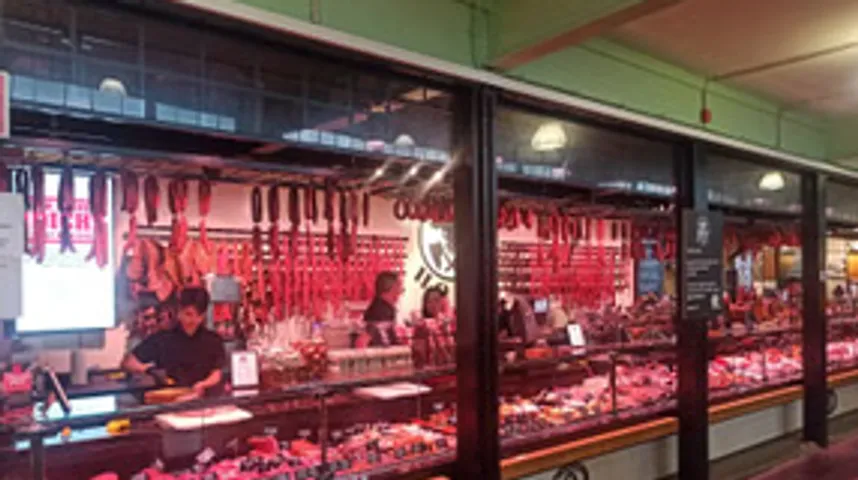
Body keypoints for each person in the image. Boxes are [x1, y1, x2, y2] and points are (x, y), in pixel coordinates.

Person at [122, 287, 225, 398]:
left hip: (203, 401)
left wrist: (203, 384)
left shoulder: (213, 341)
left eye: (189, 314)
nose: (182, 317)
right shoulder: (163, 338)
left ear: (201, 317)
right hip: (169, 400)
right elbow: (128, 362)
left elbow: (216, 373)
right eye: (180, 311)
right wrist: (147, 369)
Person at [363, 271, 403, 346]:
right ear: (392, 288)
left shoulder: (380, 308)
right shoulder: (381, 312)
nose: (401, 291)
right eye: (399, 286)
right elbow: (363, 340)